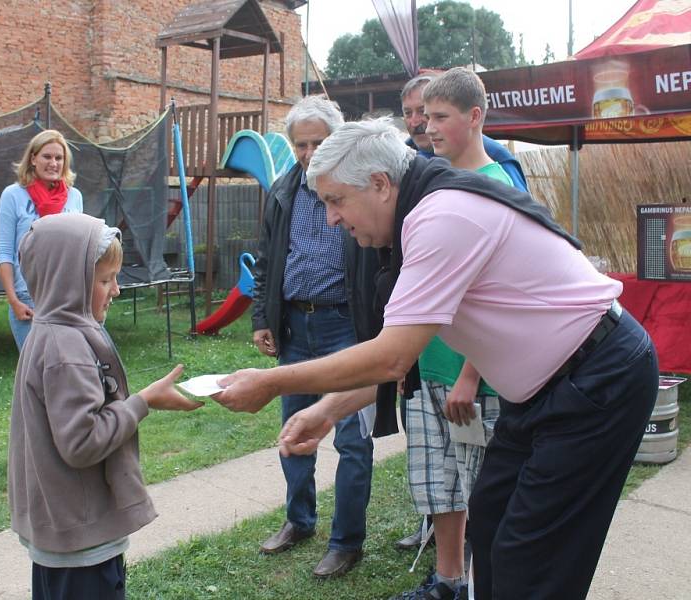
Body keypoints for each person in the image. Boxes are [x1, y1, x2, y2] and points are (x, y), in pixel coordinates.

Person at [214, 119, 658, 600]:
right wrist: (326, 410)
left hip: (597, 378)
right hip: (546, 389)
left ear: (381, 185)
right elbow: (409, 361)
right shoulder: (420, 215)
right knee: (489, 522)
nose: (330, 220)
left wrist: (273, 381)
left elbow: (390, 358)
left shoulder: (441, 217)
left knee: (531, 557)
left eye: (336, 200)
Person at [7, 212, 203, 599]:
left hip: (61, 533)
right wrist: (143, 402)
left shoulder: (47, 331)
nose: (116, 290)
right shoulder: (68, 348)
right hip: (82, 541)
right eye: (104, 280)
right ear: (68, 281)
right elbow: (82, 442)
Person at [391, 67, 523, 600]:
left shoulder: (498, 185)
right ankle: (448, 580)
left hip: (476, 381)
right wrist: (410, 364)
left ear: (474, 118)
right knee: (437, 485)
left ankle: (487, 586)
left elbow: (503, 297)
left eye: (438, 116)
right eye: (422, 116)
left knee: (481, 490)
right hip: (430, 369)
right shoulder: (434, 180)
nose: (426, 126)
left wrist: (471, 375)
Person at [250, 95, 374, 578]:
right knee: (296, 431)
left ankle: (346, 541)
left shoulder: (355, 187)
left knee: (351, 438)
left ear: (335, 141)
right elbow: (265, 260)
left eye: (317, 142)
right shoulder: (282, 191)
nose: (307, 152)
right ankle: (299, 520)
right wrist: (263, 317)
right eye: (300, 143)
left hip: (347, 324)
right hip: (294, 326)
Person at [0, 129, 84, 351]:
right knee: (35, 373)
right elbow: (5, 252)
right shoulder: (13, 195)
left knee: (67, 369)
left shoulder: (75, 197)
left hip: (67, 296)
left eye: (59, 158)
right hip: (29, 297)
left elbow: (80, 247)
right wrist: (14, 300)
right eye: (47, 156)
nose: (53, 163)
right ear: (33, 158)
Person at [400, 73, 528, 191]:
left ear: (473, 117)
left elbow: (523, 209)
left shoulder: (496, 158)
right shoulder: (404, 158)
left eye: (440, 117)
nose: (415, 122)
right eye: (407, 113)